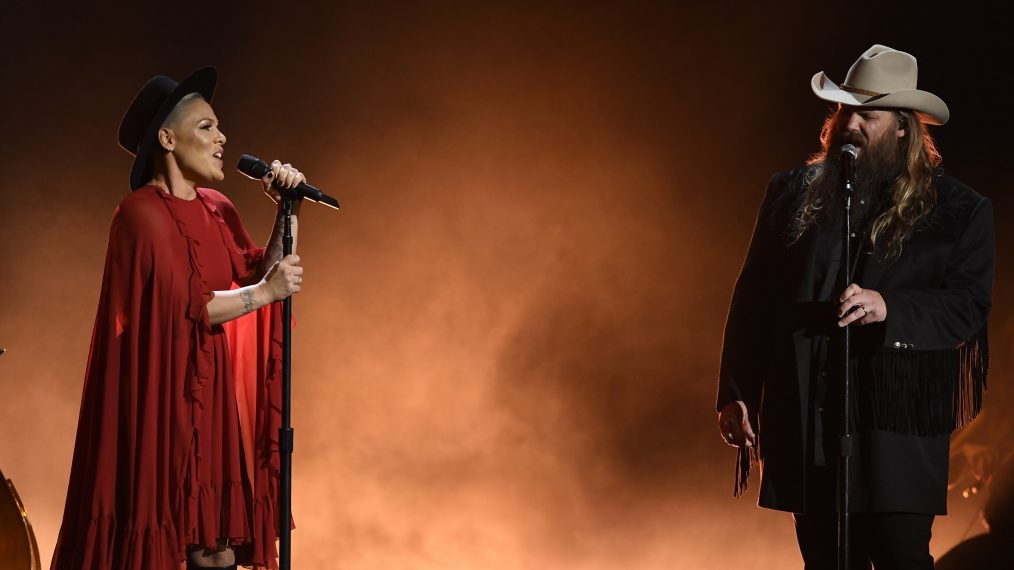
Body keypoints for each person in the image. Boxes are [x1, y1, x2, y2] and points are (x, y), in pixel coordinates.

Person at [716, 45, 993, 569]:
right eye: (845, 110)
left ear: (904, 127)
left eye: (868, 114)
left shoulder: (959, 211)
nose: (851, 124)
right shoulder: (790, 193)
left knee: (899, 557)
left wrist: (890, 307)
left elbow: (968, 306)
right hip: (808, 418)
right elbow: (753, 297)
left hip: (894, 427)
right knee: (822, 559)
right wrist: (736, 391)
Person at [51, 67, 309, 570]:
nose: (223, 138)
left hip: (208, 400)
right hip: (160, 401)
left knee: (218, 549)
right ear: (167, 138)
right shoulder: (138, 215)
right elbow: (190, 306)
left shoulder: (217, 208)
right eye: (208, 127)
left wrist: (288, 210)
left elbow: (257, 272)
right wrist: (265, 291)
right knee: (173, 544)